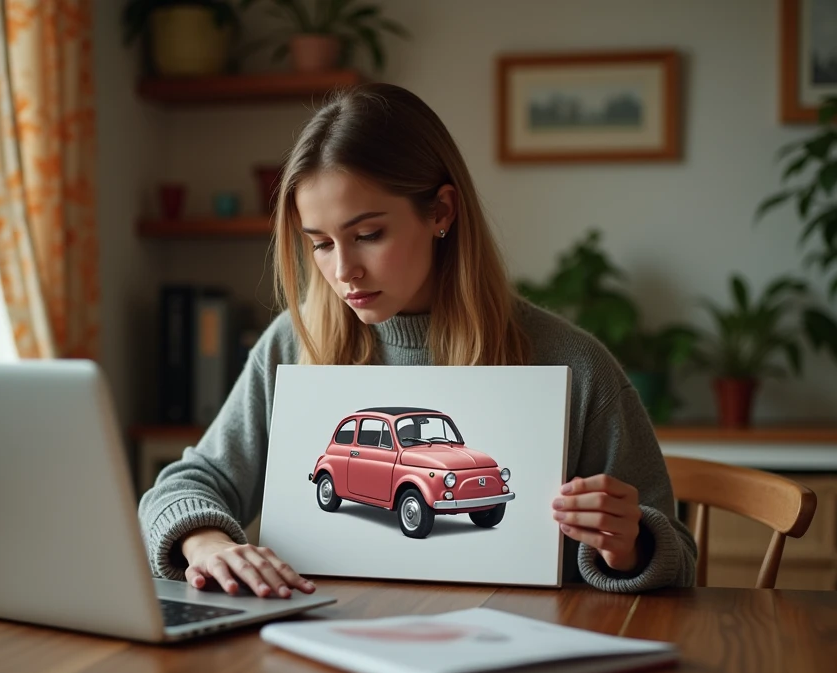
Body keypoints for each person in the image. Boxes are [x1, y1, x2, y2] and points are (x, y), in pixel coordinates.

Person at [138, 83, 696, 598]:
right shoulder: (294, 343)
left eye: (368, 235)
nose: (343, 271)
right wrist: (206, 541)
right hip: (326, 650)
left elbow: (678, 559)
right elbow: (183, 485)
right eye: (321, 244)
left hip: (512, 653)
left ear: (442, 212)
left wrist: (631, 544)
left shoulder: (575, 365)